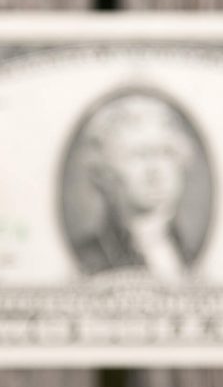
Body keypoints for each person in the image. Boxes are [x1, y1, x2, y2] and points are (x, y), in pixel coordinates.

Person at [74, 93, 196, 279]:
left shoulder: (190, 252)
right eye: (139, 155)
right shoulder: (88, 260)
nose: (155, 170)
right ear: (107, 171)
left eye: (166, 153)